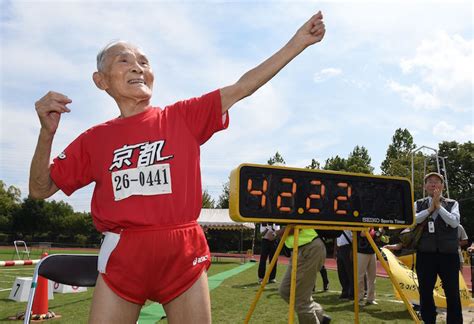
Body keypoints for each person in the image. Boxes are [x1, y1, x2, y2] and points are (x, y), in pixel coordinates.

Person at [28, 11, 326, 323]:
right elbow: (40, 189)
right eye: (124, 60)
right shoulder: (94, 140)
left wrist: (298, 43)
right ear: (100, 80)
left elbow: (242, 87)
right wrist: (46, 134)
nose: (138, 67)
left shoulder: (181, 117)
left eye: (144, 61)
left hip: (183, 253)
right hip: (123, 256)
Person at [415, 172, 462, 324]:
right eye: (429, 181)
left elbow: (454, 222)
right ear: (425, 186)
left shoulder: (452, 203)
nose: (433, 184)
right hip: (425, 254)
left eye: (437, 181)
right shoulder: (418, 204)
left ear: (442, 186)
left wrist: (438, 206)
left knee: (453, 293)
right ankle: (429, 321)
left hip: (448, 255)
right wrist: (429, 210)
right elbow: (413, 220)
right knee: (425, 292)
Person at [278, 228, 331, 324]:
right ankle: (319, 315)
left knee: (301, 299)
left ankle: (317, 316)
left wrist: (276, 233)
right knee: (285, 290)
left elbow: (294, 225)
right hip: (298, 250)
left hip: (309, 248)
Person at [357, 229, 377, 306]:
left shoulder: (374, 227)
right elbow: (362, 234)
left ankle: (371, 298)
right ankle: (359, 298)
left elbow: (377, 237)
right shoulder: (360, 225)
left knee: (372, 276)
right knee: (360, 276)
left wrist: (379, 232)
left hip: (372, 251)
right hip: (361, 252)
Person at [335, 230, 354, 299]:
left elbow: (353, 237)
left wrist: (352, 250)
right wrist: (336, 250)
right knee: (341, 271)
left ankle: (352, 293)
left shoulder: (348, 225)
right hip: (340, 248)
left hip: (347, 247)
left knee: (350, 271)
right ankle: (345, 291)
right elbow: (337, 239)